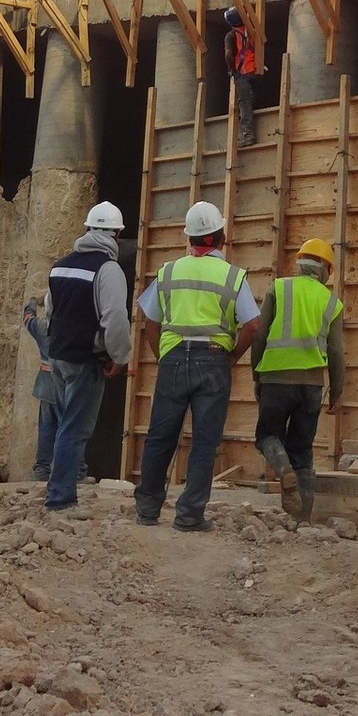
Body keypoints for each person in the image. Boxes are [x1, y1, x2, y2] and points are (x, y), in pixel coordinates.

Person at [134, 200, 260, 531]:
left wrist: (162, 353)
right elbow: (252, 325)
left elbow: (148, 317)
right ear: (221, 237)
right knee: (205, 441)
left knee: (160, 436)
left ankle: (147, 510)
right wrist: (232, 356)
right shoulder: (232, 276)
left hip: (173, 357)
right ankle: (189, 515)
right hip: (214, 359)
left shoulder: (169, 271)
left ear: (189, 239)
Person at [43, 201, 133, 516]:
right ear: (117, 235)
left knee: (64, 424)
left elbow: (50, 312)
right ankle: (61, 499)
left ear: (87, 229)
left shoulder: (60, 265)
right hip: (85, 358)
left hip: (58, 356)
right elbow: (115, 320)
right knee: (75, 428)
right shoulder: (108, 270)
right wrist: (118, 357)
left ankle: (58, 488)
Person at [251, 237, 345, 522]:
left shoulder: (279, 288)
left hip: (276, 379)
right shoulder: (332, 302)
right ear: (326, 269)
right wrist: (337, 392)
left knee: (267, 436)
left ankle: (283, 470)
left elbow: (260, 335)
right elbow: (336, 352)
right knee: (303, 450)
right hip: (312, 386)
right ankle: (301, 519)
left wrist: (258, 375)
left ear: (300, 262)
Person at [21, 296, 60, 482]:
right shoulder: (69, 328)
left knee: (46, 429)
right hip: (64, 385)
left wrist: (33, 301)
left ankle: (42, 470)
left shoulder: (41, 326)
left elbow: (27, 318)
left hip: (45, 385)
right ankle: (76, 471)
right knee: (70, 428)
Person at [224, 6, 260, 149]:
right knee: (251, 99)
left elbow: (228, 54)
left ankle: (248, 136)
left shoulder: (231, 35)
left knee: (244, 104)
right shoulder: (251, 31)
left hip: (243, 74)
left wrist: (230, 69)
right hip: (256, 72)